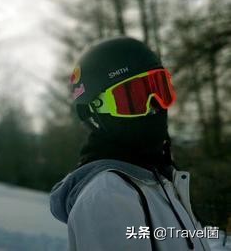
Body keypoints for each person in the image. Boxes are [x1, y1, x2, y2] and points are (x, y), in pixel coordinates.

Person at [49, 36, 211, 251]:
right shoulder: (107, 196)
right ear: (95, 113)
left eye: (159, 90)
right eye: (132, 99)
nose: (155, 107)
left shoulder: (159, 181)